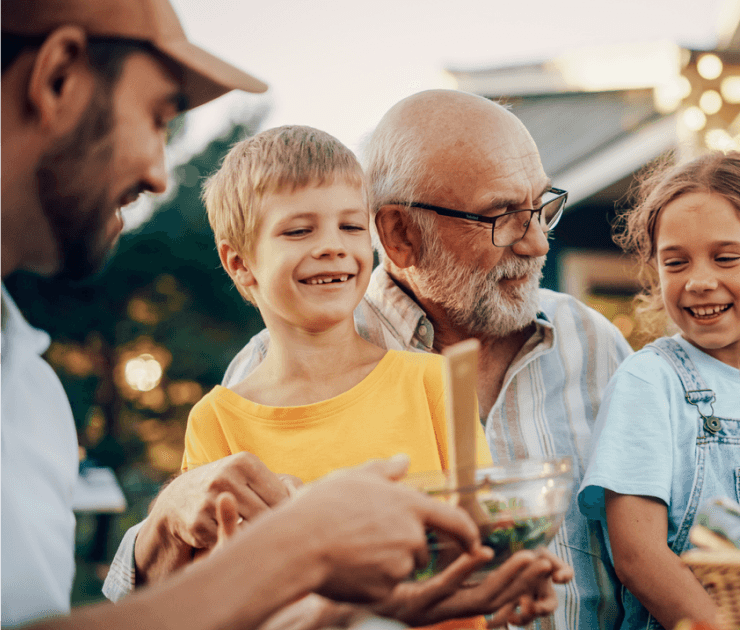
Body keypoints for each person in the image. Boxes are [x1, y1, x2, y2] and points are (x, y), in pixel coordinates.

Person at [0, 1, 488, 627]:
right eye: (157, 117)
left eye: (350, 224)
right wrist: (305, 553)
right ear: (58, 76)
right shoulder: (217, 417)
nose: (158, 174)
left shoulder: (31, 388)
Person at [105, 90, 634, 630]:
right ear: (399, 235)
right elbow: (202, 592)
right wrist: (167, 522)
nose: (537, 243)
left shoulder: (591, 341)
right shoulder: (239, 395)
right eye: (501, 215)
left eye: (542, 207)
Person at [183, 123, 566, 628]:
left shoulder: (432, 381)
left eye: (350, 227)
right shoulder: (218, 421)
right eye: (299, 230)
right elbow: (215, 596)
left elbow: (481, 540)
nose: (332, 246)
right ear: (240, 264)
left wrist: (513, 576)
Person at [578, 151, 740, 630]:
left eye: (725, 258)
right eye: (675, 262)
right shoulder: (650, 382)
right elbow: (638, 556)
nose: (699, 281)